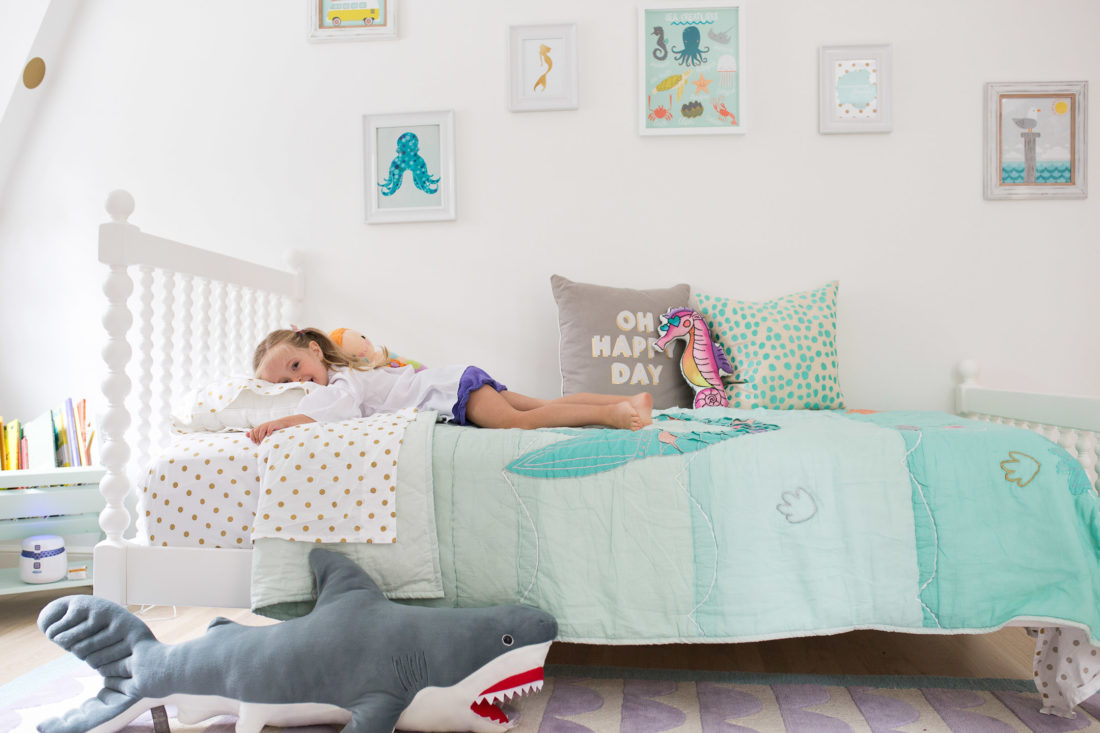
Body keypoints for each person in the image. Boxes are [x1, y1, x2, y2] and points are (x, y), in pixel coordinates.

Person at [246, 327, 653, 444]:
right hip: (454, 380)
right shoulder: (347, 373)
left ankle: (612, 415)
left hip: (448, 391)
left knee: (521, 423)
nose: (298, 380)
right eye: (284, 383)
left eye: (296, 366)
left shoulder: (343, 379)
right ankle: (627, 400)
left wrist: (287, 422)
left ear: (316, 350)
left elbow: (341, 408)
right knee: (539, 405)